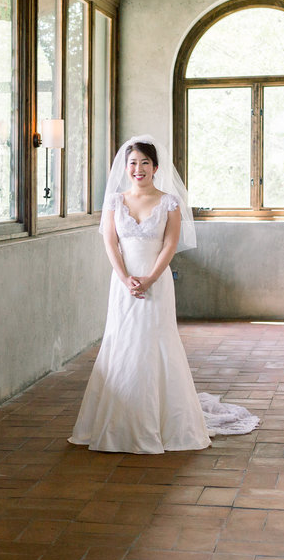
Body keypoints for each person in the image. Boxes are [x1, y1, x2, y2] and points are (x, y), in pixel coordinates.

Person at [70, 134, 258, 453]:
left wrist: (149, 279)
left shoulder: (169, 202)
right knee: (123, 340)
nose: (138, 169)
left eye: (145, 163)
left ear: (155, 167)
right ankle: (117, 421)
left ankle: (162, 420)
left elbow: (170, 245)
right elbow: (109, 243)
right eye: (133, 163)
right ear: (125, 167)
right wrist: (126, 278)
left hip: (156, 280)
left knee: (156, 340)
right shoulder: (115, 201)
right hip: (123, 282)